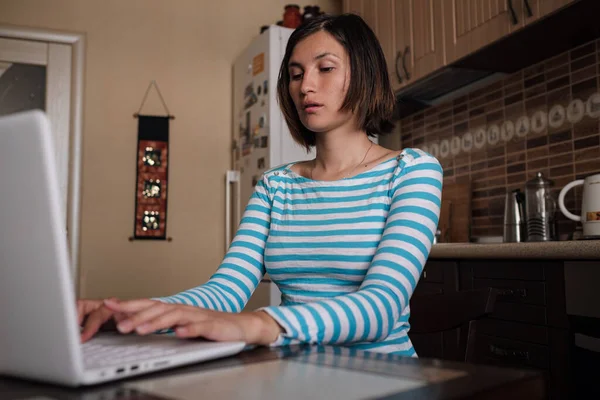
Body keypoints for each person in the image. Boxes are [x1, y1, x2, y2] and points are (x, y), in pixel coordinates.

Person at [79, 13, 443, 357]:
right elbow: (226, 291)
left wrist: (260, 323)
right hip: (293, 374)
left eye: (325, 68)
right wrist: (136, 314)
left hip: (384, 377)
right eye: (296, 75)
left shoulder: (412, 171)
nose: (306, 86)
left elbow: (379, 308)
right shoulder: (275, 186)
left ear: (366, 74)